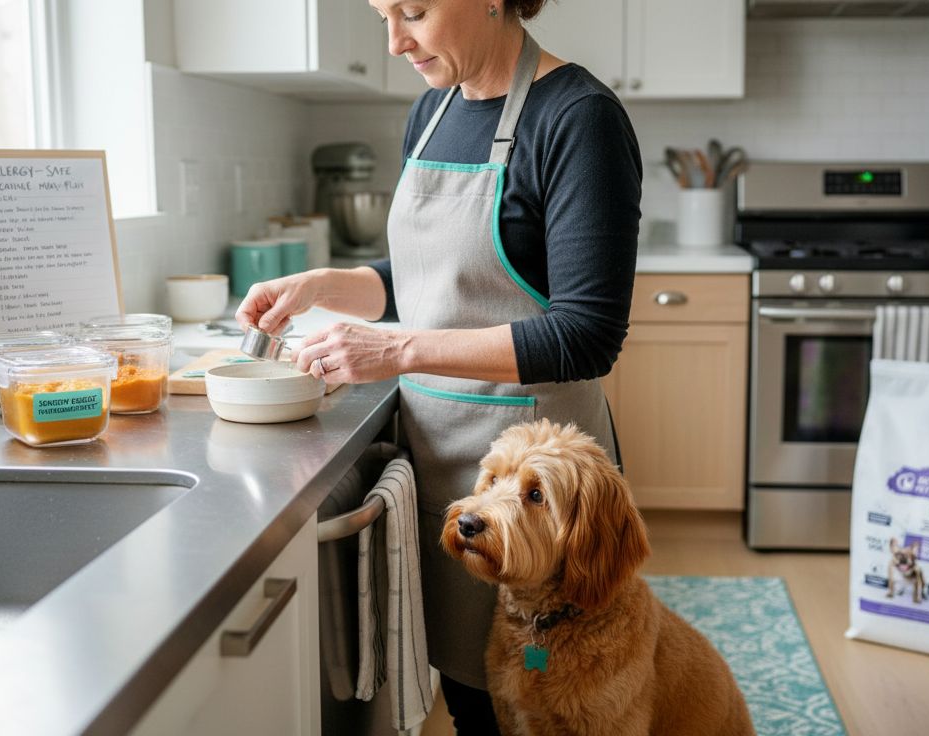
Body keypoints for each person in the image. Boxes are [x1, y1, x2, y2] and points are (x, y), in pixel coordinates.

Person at [237, 1, 641, 731]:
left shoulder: (579, 117)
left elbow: (587, 334)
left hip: (539, 491)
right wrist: (325, 285)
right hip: (447, 469)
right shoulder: (430, 110)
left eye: (414, 10)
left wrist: (396, 349)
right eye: (383, 14)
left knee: (560, 698)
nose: (394, 40)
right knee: (472, 695)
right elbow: (431, 275)